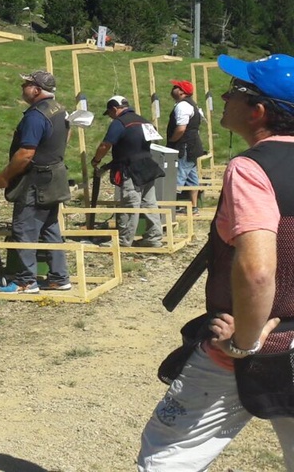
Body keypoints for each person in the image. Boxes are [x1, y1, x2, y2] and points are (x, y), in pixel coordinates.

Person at [137, 54, 294, 470]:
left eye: (235, 91)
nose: (224, 97)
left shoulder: (251, 168)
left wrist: (245, 340)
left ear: (258, 111)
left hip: (251, 347)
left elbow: (257, 271)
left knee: (167, 454)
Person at [0, 70, 72, 294]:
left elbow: (25, 154)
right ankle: (59, 278)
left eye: (26, 84)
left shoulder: (36, 116)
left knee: (24, 229)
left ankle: (26, 281)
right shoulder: (60, 109)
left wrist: (4, 178)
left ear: (36, 90)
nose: (22, 87)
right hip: (53, 177)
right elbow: (67, 135)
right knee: (50, 228)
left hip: (35, 181)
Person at [91, 95, 165, 247]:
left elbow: (105, 145)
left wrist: (96, 160)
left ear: (114, 109)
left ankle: (123, 241)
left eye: (109, 113)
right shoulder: (144, 121)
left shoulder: (119, 123)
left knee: (130, 204)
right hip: (147, 166)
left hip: (130, 169)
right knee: (149, 204)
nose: (110, 116)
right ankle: (154, 238)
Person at [167, 80, 206, 213]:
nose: (173, 88)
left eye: (176, 87)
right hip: (192, 146)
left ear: (181, 92)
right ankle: (194, 207)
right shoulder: (190, 104)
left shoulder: (183, 106)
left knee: (177, 177)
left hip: (184, 147)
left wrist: (171, 141)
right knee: (191, 178)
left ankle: (171, 208)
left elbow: (181, 129)